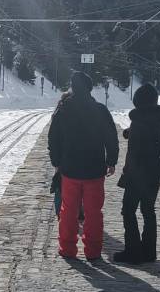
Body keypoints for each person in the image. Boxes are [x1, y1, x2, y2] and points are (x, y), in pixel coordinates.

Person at [48, 72, 119, 261]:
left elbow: (53, 138)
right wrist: (111, 161)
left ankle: (67, 248)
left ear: (72, 88)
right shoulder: (100, 110)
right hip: (95, 170)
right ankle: (93, 251)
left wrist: (56, 162)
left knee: (68, 210)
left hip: (69, 170)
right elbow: (111, 137)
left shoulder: (63, 109)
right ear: (89, 88)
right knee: (93, 212)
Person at [115, 84, 160, 263]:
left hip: (137, 174)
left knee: (128, 210)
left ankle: (133, 251)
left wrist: (126, 174)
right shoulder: (159, 119)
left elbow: (134, 152)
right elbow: (149, 135)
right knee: (148, 210)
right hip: (156, 173)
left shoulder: (139, 121)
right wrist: (129, 133)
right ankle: (149, 251)